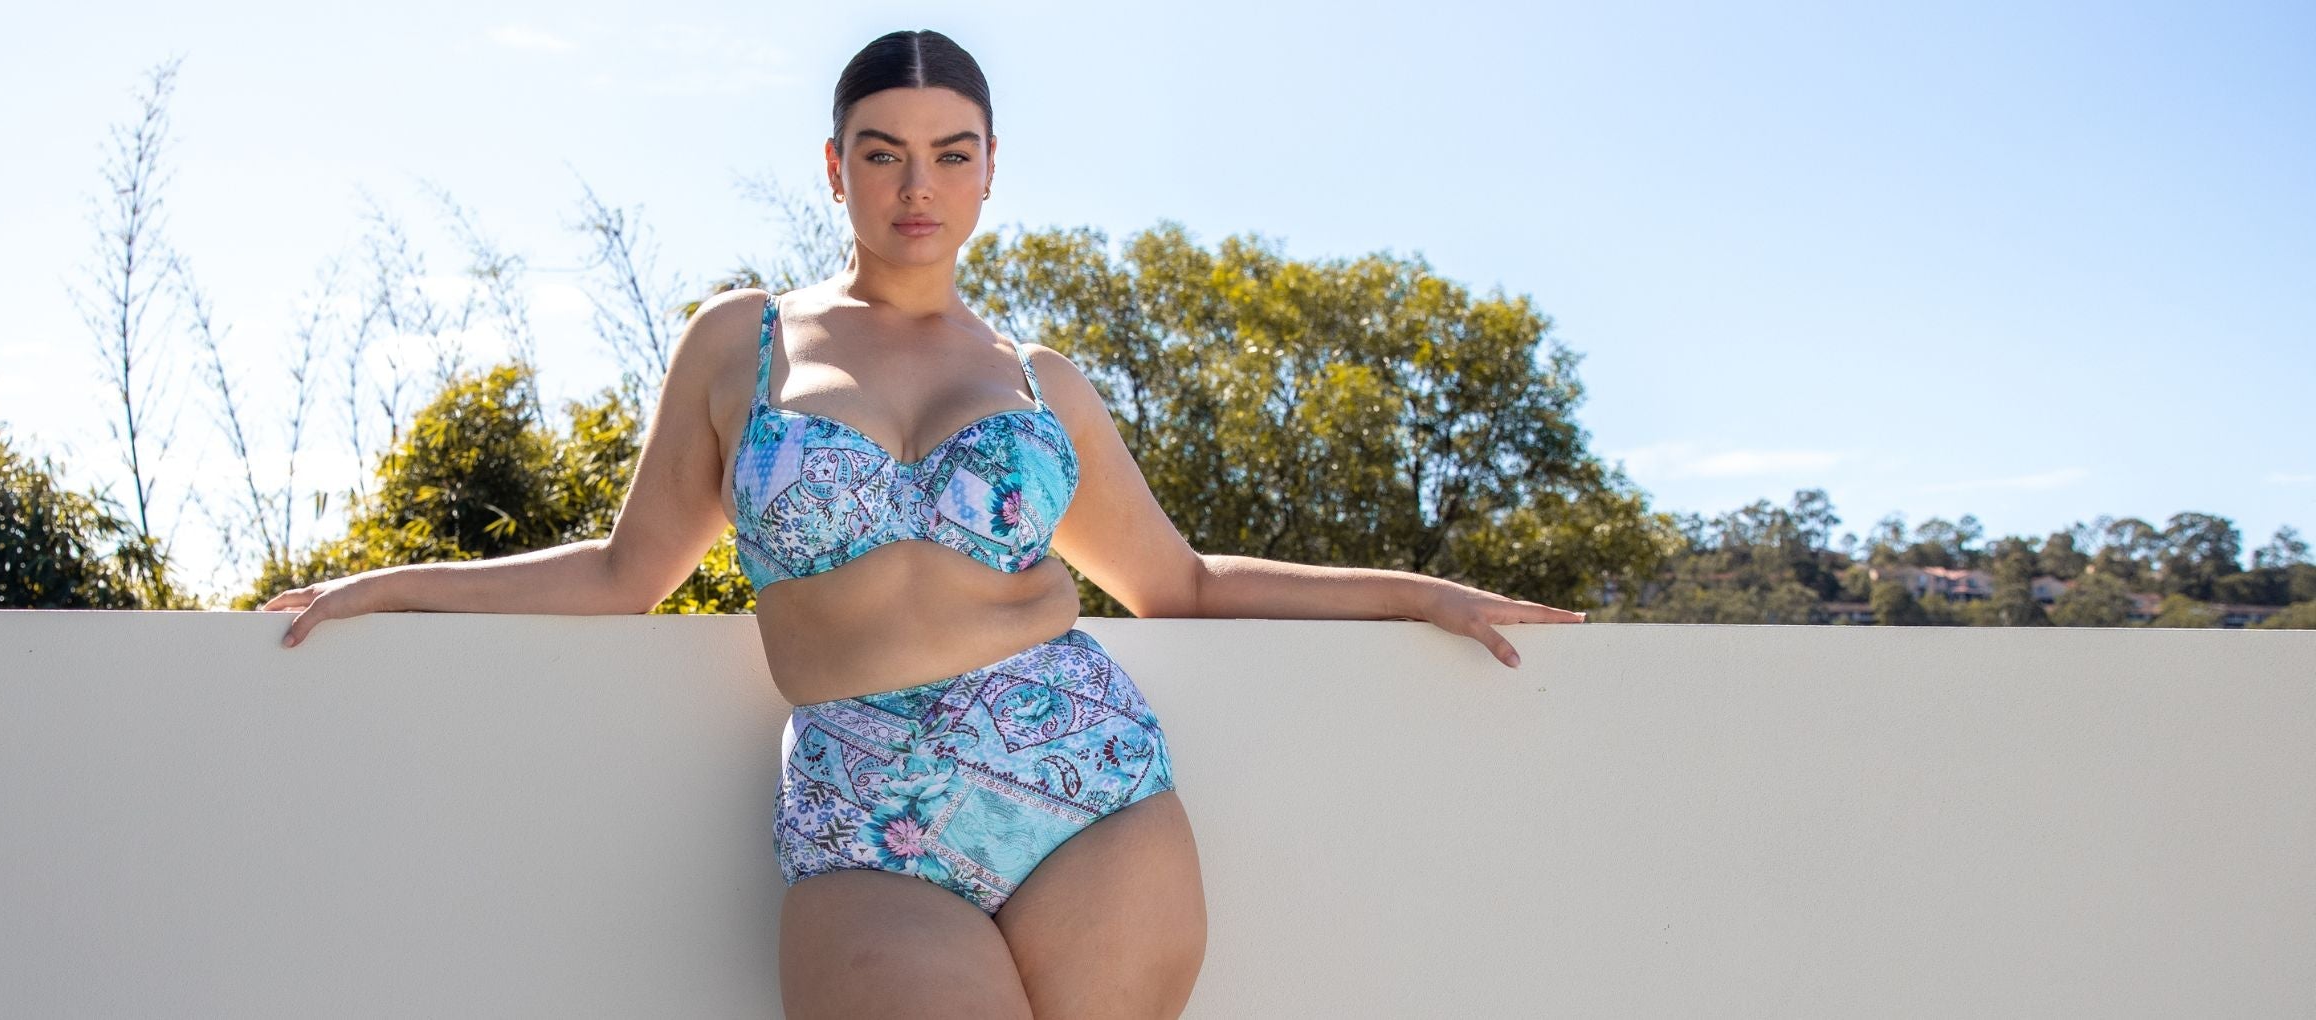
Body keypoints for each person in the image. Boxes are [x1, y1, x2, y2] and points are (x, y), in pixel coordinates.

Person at [264, 27, 1585, 1019]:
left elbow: (1177, 583)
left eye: (953, 153)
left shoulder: (1037, 381)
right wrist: (397, 583)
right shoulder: (744, 344)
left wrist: (1416, 593)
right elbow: (626, 572)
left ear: (990, 171)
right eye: (885, 153)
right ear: (836, 168)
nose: (919, 184)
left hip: (1089, 791)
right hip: (862, 808)